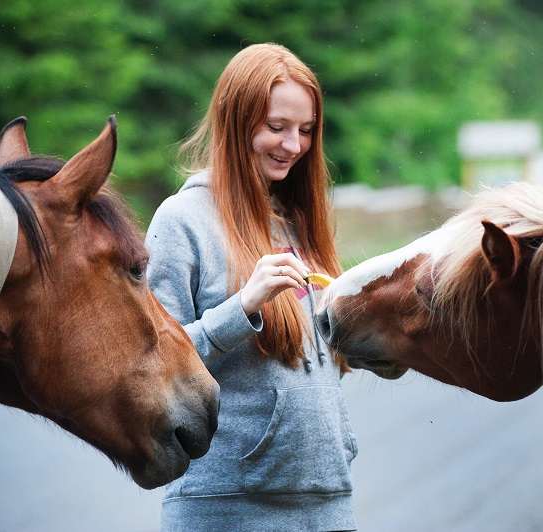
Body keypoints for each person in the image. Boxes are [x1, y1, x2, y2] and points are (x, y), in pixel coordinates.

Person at [146, 43, 358, 532]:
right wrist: (241, 307)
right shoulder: (180, 222)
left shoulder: (298, 225)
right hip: (226, 502)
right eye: (277, 127)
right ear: (235, 120)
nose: (294, 145)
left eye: (305, 131)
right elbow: (155, 372)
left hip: (328, 497)